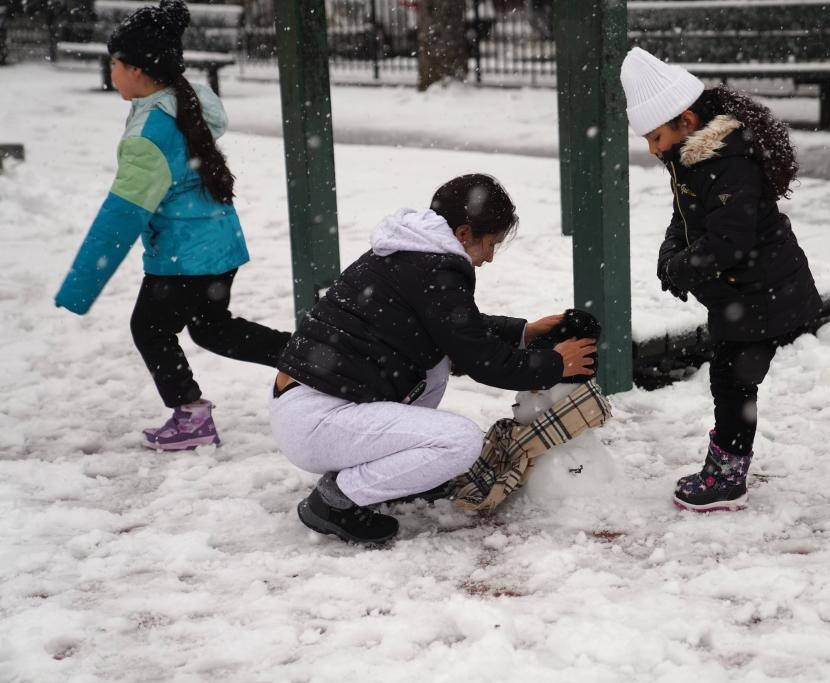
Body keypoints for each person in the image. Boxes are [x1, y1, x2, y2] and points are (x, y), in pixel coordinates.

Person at [269, 174, 597, 544]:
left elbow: (454, 326)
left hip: (315, 404)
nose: (488, 258)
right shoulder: (432, 268)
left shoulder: (411, 252)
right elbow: (481, 359)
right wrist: (557, 364)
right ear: (462, 233)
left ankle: (390, 479)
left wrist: (524, 331)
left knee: (435, 367)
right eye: (490, 244)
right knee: (460, 442)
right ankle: (335, 500)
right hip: (318, 418)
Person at [54, 0, 290, 450]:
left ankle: (192, 416)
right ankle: (307, 357)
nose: (113, 72)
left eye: (116, 64)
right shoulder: (180, 102)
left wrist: (79, 285)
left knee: (151, 329)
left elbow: (121, 216)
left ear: (138, 71)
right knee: (212, 328)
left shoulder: (152, 133)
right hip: (214, 244)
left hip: (186, 255)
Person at [619, 47, 823, 512]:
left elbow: (730, 241)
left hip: (764, 293)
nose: (652, 149)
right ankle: (727, 467)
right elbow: (686, 215)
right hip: (741, 292)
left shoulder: (728, 160)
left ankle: (727, 476)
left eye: (655, 137)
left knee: (733, 381)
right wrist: (670, 255)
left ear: (686, 121)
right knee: (732, 379)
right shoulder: (691, 155)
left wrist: (682, 268)